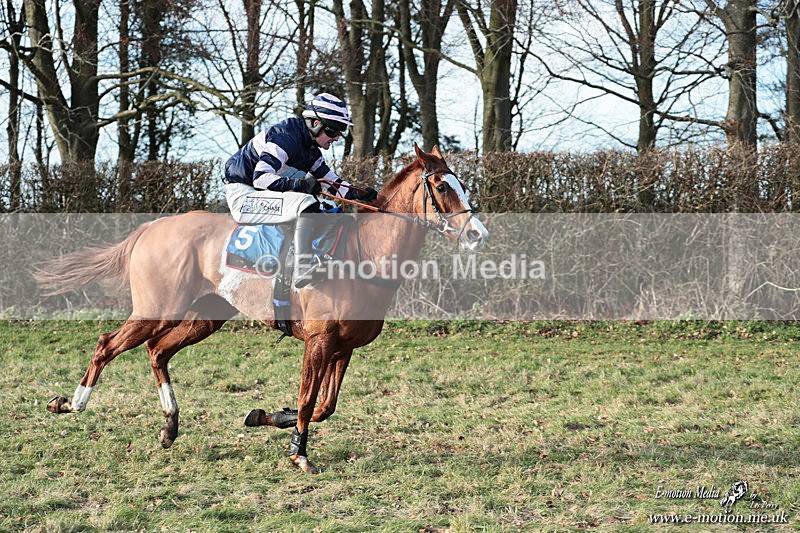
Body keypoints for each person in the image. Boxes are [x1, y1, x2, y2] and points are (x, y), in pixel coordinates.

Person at [224, 93, 377, 287]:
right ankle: (301, 267)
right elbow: (261, 178)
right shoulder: (286, 137)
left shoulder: (311, 150)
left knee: (328, 207)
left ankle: (318, 257)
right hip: (245, 197)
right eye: (332, 131)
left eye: (340, 132)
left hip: (261, 195)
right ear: (315, 124)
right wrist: (299, 185)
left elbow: (334, 184)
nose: (336, 138)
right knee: (306, 202)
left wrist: (358, 193)